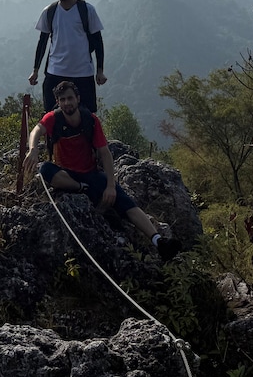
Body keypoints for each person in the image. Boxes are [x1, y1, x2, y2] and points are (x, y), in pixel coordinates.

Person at [24, 81, 181, 261]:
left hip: (91, 174)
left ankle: (159, 241)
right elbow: (36, 130)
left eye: (70, 98)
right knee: (45, 169)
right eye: (62, 99)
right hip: (65, 174)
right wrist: (33, 148)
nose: (67, 103)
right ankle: (81, 188)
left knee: (124, 201)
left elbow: (105, 153)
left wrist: (111, 185)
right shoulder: (54, 118)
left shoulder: (90, 120)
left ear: (78, 99)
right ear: (58, 102)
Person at [28, 0, 106, 113]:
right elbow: (42, 42)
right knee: (52, 115)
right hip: (55, 71)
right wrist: (35, 70)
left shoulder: (86, 10)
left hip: (83, 72)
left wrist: (100, 70)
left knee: (87, 115)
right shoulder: (49, 12)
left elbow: (98, 41)